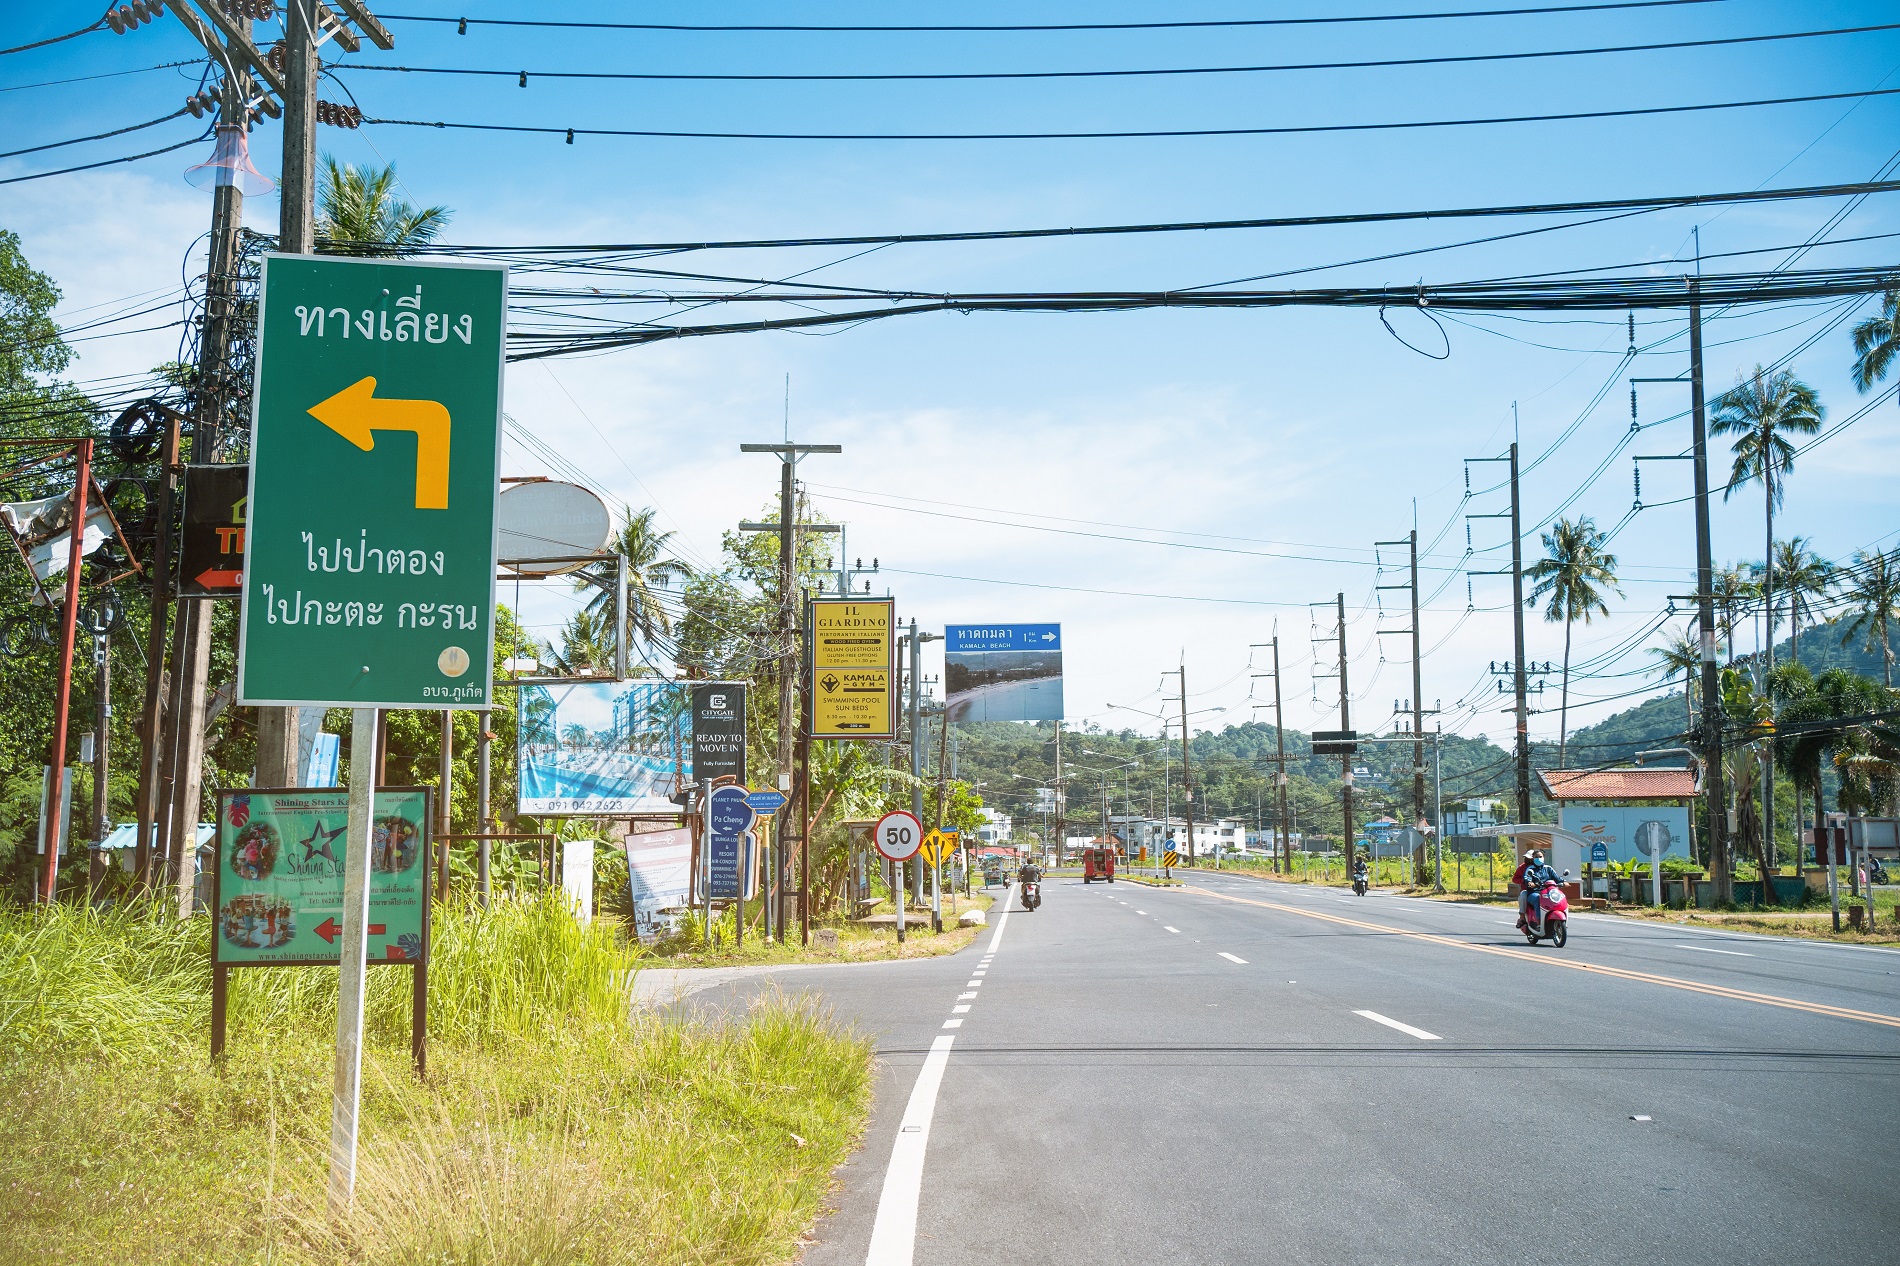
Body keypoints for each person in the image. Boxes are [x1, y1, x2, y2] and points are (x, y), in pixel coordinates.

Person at [1518, 850, 1557, 927]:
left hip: (1548, 893)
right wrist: (1530, 882)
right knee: (1538, 898)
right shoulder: (1530, 869)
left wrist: (1563, 882)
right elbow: (1527, 877)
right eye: (1536, 857)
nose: (1538, 858)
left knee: (1560, 897)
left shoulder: (1548, 868)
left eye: (1540, 857)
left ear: (1544, 857)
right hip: (1534, 893)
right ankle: (1539, 922)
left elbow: (1557, 878)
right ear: (1533, 858)